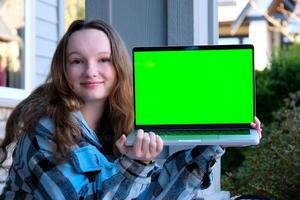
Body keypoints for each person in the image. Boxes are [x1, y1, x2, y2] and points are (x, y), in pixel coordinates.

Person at [0, 19, 262, 199]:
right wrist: (135, 164)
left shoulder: (120, 126)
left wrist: (214, 141)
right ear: (63, 70)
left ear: (118, 68)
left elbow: (154, 194)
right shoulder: (43, 131)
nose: (91, 71)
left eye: (104, 60)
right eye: (78, 61)